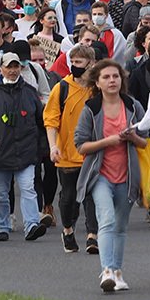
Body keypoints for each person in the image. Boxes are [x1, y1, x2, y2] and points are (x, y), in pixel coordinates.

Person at [74, 58, 146, 292]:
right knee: (106, 220)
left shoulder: (133, 106)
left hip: (127, 174)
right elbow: (81, 146)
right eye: (106, 77)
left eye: (115, 76)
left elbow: (147, 141)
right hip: (99, 174)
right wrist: (109, 141)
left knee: (121, 226)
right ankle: (106, 271)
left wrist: (132, 138)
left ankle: (117, 271)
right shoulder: (91, 108)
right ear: (97, 81)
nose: (112, 80)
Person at [0, 51, 48, 242]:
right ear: (1, 68)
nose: (13, 70)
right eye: (9, 66)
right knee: (0, 193)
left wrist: (41, 146)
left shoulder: (30, 92)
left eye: (16, 66)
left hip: (26, 150)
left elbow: (42, 121)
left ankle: (31, 225)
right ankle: (2, 226)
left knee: (28, 189)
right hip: (0, 151)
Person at [43, 45, 99, 254]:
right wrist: (53, 145)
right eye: (72, 62)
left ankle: (92, 236)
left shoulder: (97, 88)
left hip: (92, 152)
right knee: (68, 198)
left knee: (92, 196)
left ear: (90, 63)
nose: (74, 66)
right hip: (66, 153)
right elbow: (51, 120)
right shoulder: (62, 88)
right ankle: (67, 230)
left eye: (79, 62)